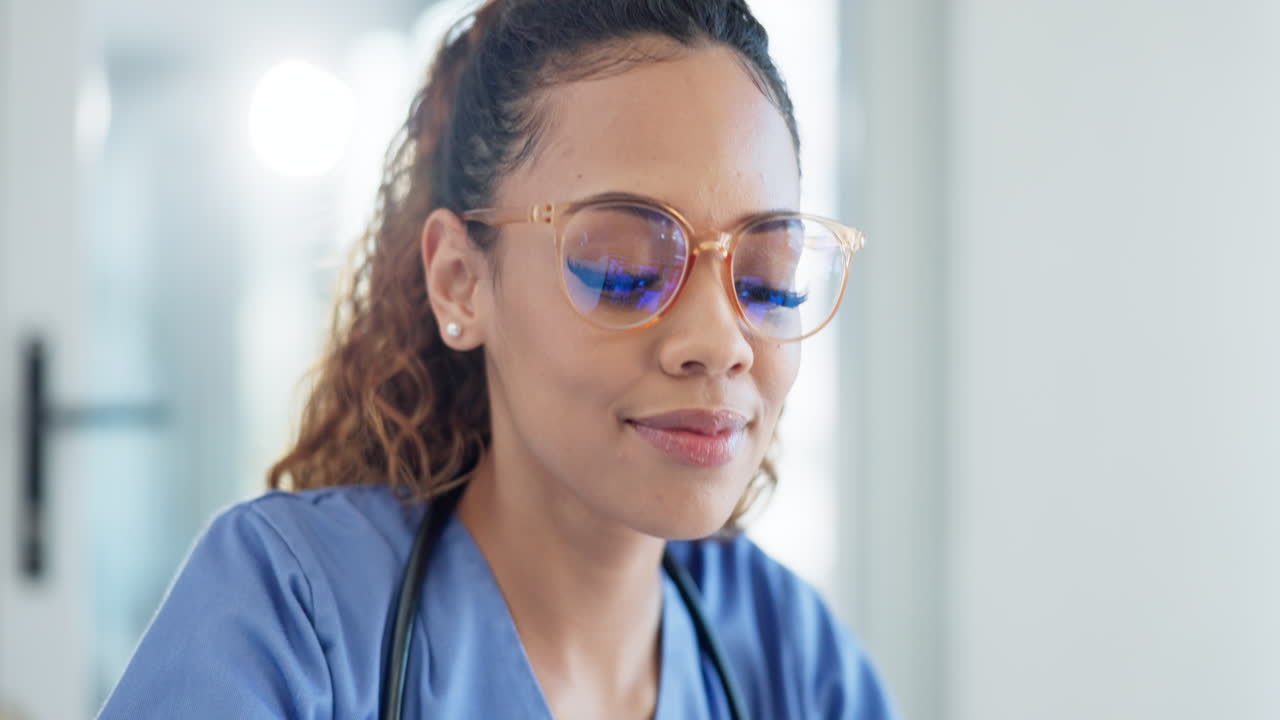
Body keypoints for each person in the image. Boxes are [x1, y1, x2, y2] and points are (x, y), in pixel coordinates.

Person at [98, 0, 897, 717]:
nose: (720, 343)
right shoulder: (291, 615)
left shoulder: (794, 661)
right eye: (625, 270)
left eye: (765, 279)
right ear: (460, 283)